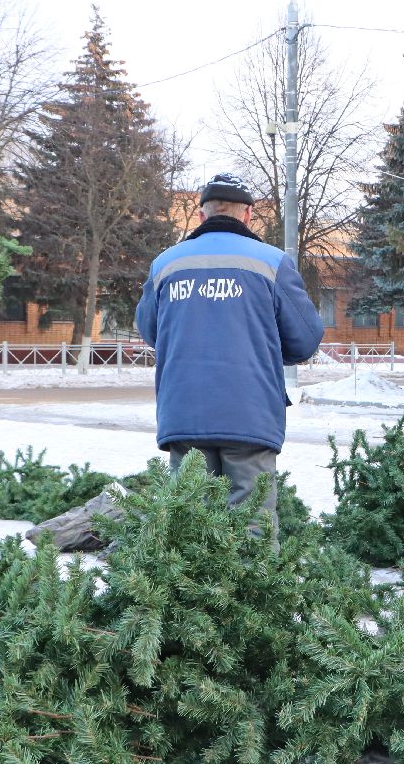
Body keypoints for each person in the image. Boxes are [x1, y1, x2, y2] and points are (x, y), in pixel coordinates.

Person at [135, 172, 325, 539]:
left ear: (203, 216)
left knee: (187, 528)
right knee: (251, 527)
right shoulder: (272, 262)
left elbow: (151, 332)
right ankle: (252, 597)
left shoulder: (165, 265)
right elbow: (305, 340)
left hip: (183, 410)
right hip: (249, 414)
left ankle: (189, 599)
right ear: (248, 215)